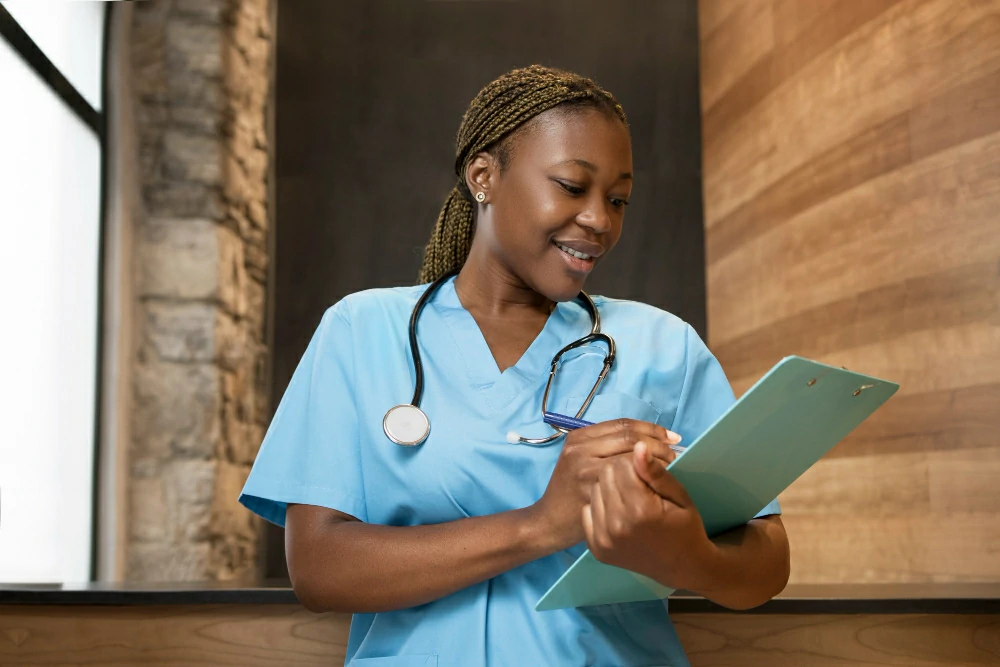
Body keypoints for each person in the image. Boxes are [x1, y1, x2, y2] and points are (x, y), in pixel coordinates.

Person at [239, 64, 789, 667]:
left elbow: (765, 562)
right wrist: (542, 525)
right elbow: (319, 570)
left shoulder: (665, 347)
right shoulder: (360, 331)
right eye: (572, 187)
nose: (600, 220)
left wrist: (687, 554)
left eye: (618, 199)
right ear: (483, 176)